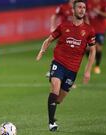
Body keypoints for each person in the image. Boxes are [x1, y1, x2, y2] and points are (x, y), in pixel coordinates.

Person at [36, 0, 96, 132]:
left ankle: (53, 107)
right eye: (79, 7)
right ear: (73, 10)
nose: (82, 10)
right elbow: (49, 39)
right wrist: (42, 51)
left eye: (84, 8)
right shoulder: (63, 26)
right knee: (55, 88)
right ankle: (51, 123)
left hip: (73, 69)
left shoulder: (89, 30)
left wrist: (87, 71)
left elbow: (92, 50)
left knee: (59, 98)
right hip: (59, 63)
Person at [87, 0, 106, 74]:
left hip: (100, 30)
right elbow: (84, 14)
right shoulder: (88, 3)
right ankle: (91, 61)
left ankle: (97, 66)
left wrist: (99, 12)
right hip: (89, 29)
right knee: (87, 48)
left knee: (98, 47)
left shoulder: (103, 3)